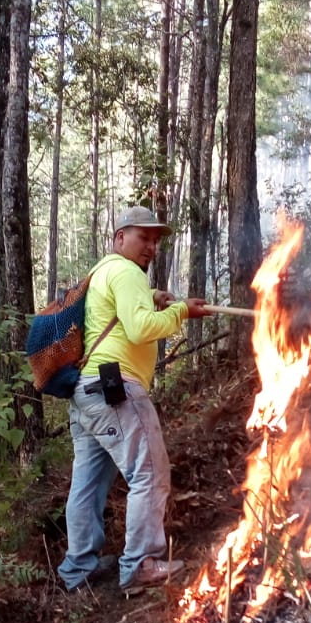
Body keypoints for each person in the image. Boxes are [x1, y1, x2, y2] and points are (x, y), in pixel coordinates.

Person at [57, 206, 210, 594]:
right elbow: (141, 329)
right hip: (115, 388)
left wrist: (154, 295)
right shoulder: (126, 272)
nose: (151, 247)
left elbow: (120, 312)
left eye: (156, 240)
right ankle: (141, 564)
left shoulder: (103, 272)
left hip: (86, 392)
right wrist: (180, 311)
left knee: (88, 484)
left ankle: (79, 568)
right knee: (150, 473)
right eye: (144, 237)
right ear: (120, 237)